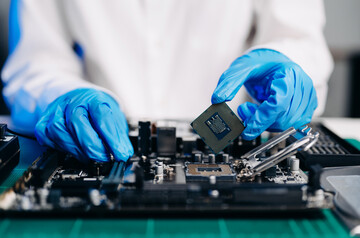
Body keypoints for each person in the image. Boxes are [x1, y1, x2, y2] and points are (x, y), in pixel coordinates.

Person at [1, 0, 333, 163]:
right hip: (98, 146)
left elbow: (298, 37)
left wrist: (288, 69)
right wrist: (64, 95)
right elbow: (35, 61)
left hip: (236, 135)